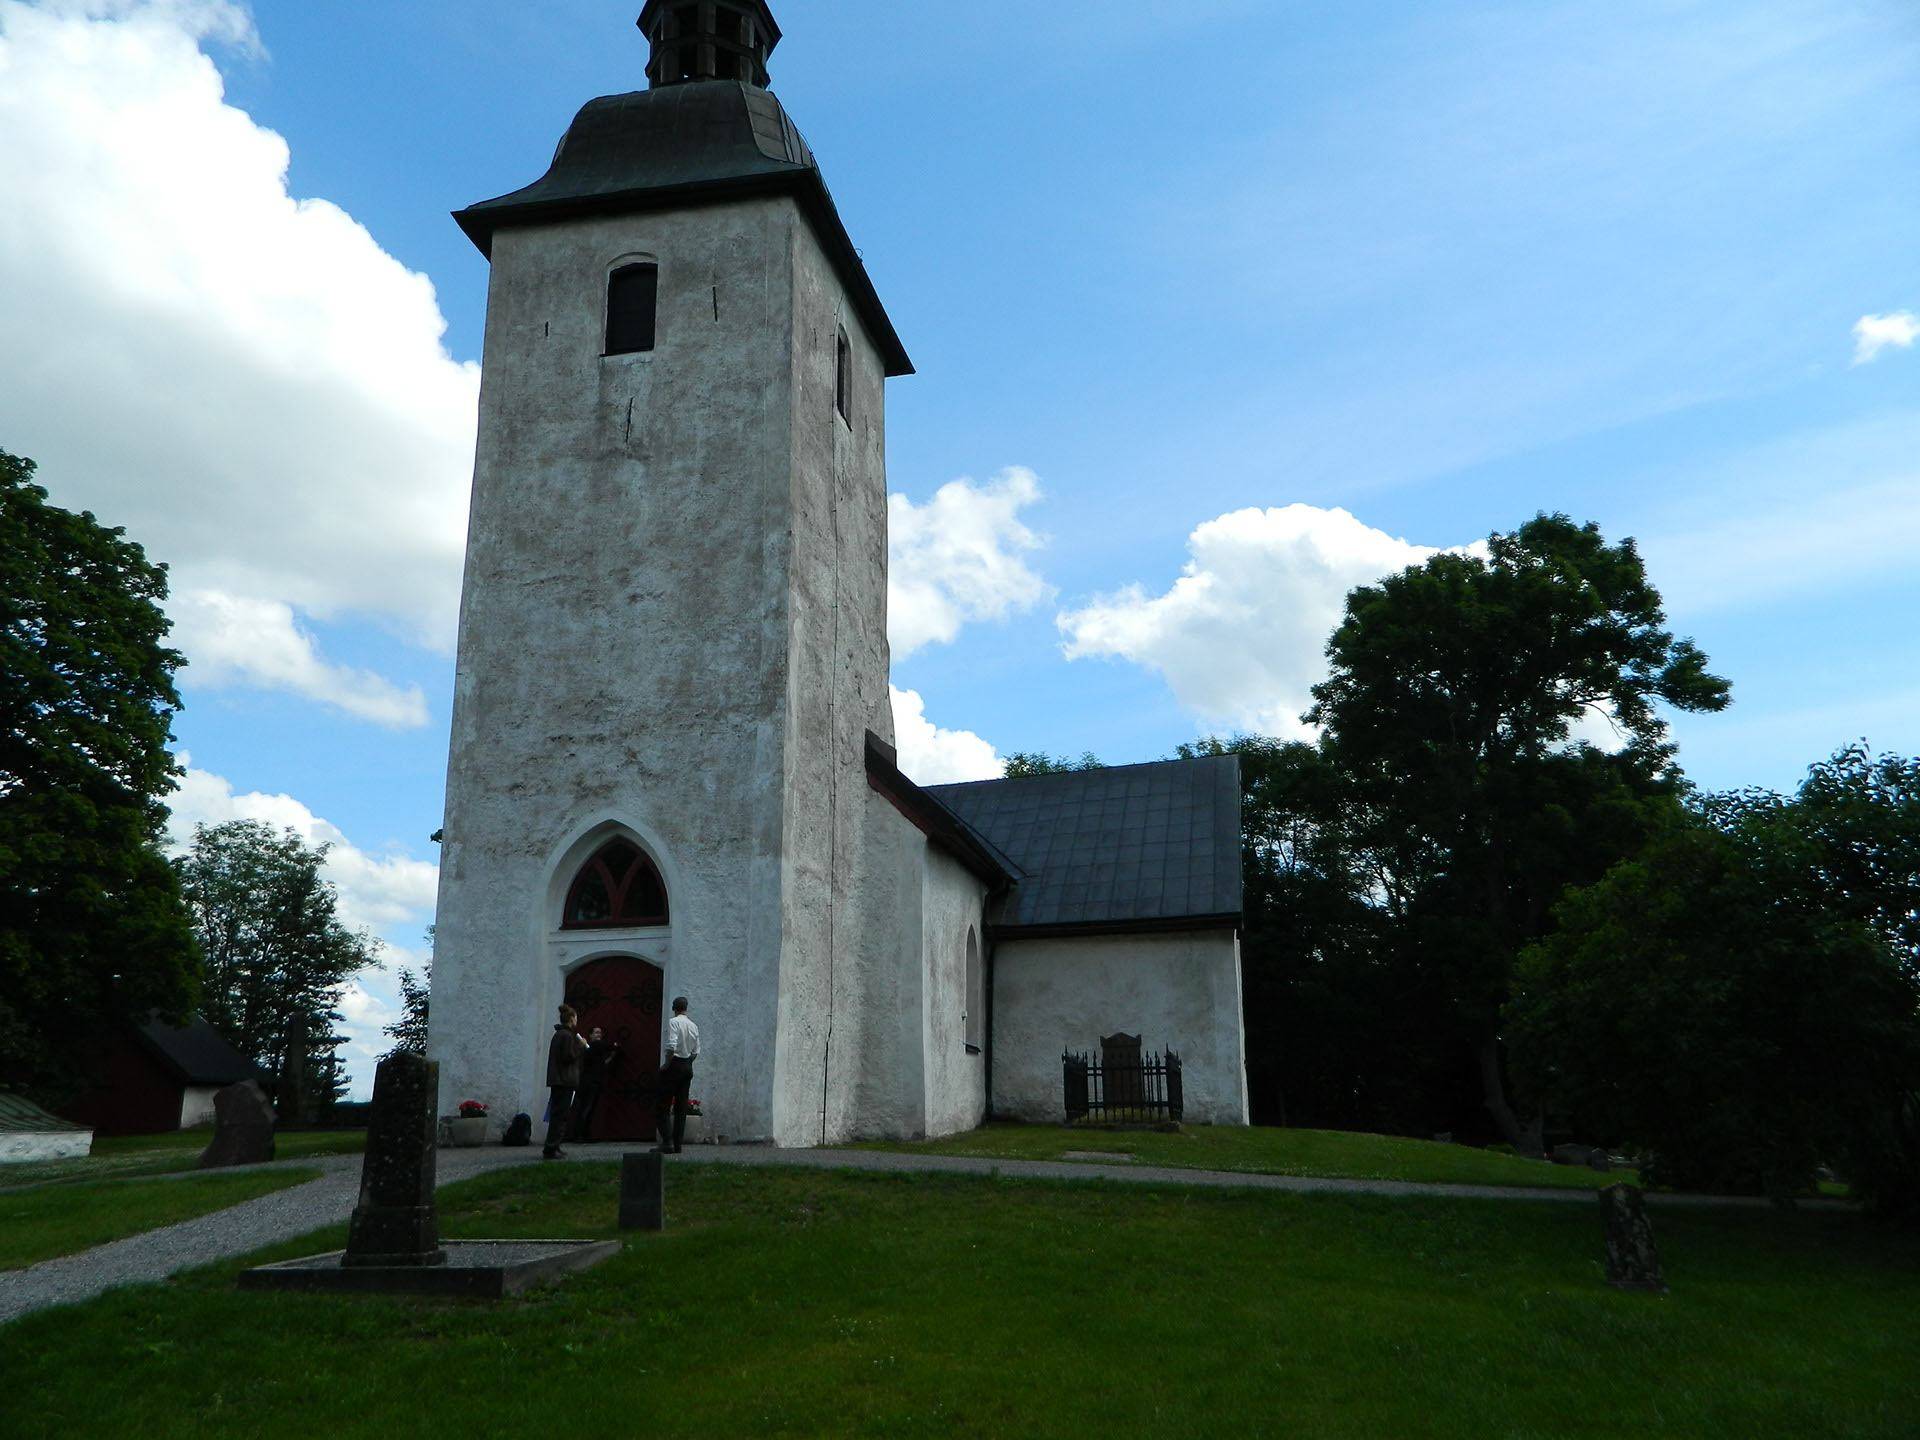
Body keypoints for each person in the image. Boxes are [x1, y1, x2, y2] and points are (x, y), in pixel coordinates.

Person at [655, 996, 699, 1154]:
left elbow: (671, 1046)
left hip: (675, 1065)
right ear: (686, 1008)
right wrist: (688, 1063)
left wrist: (667, 1064)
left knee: (662, 1105)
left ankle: (667, 1142)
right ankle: (678, 1144)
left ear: (674, 1008)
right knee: (681, 1107)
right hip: (687, 1066)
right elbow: (696, 1051)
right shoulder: (693, 1025)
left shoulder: (674, 1022)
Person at [544, 1003, 587, 1159]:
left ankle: (554, 1146)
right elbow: (568, 1057)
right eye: (576, 1017)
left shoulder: (560, 1034)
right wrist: (581, 1046)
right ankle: (551, 1148)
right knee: (560, 1116)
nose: (577, 1020)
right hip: (564, 1081)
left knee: (559, 1115)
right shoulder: (566, 1036)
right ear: (571, 1019)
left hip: (560, 1080)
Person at [570, 1026, 620, 1141]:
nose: (599, 1035)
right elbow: (610, 1047)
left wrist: (611, 1057)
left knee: (587, 1108)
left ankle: (582, 1134)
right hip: (590, 1083)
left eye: (600, 1033)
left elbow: (601, 1065)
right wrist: (616, 1046)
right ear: (590, 1035)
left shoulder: (592, 1049)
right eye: (596, 1032)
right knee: (587, 1108)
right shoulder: (596, 1045)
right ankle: (580, 1134)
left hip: (590, 1082)